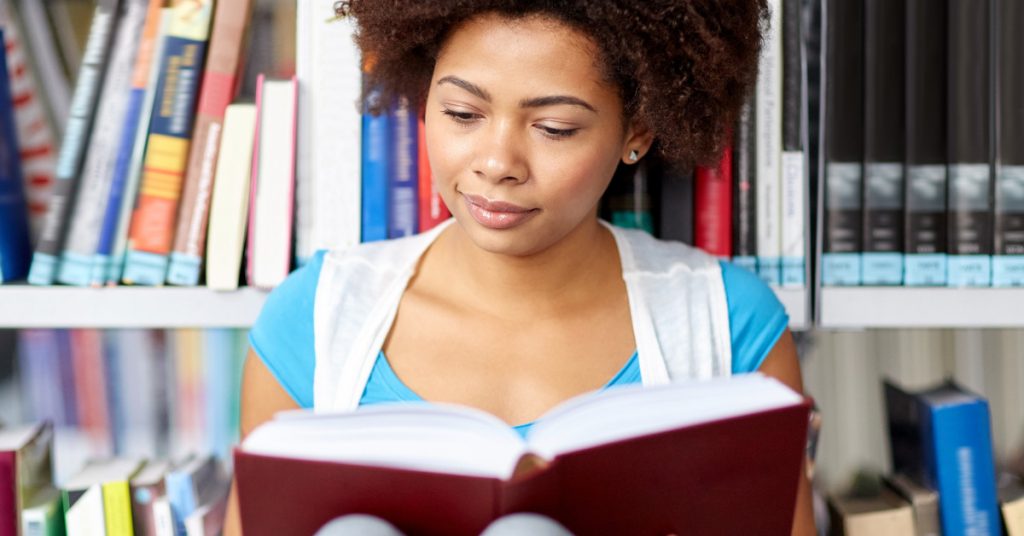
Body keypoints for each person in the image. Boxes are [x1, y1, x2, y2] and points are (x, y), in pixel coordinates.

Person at [225, 1, 816, 534]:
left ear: (635, 130)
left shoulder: (729, 324)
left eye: (553, 128)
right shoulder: (314, 319)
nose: (497, 162)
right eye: (462, 113)